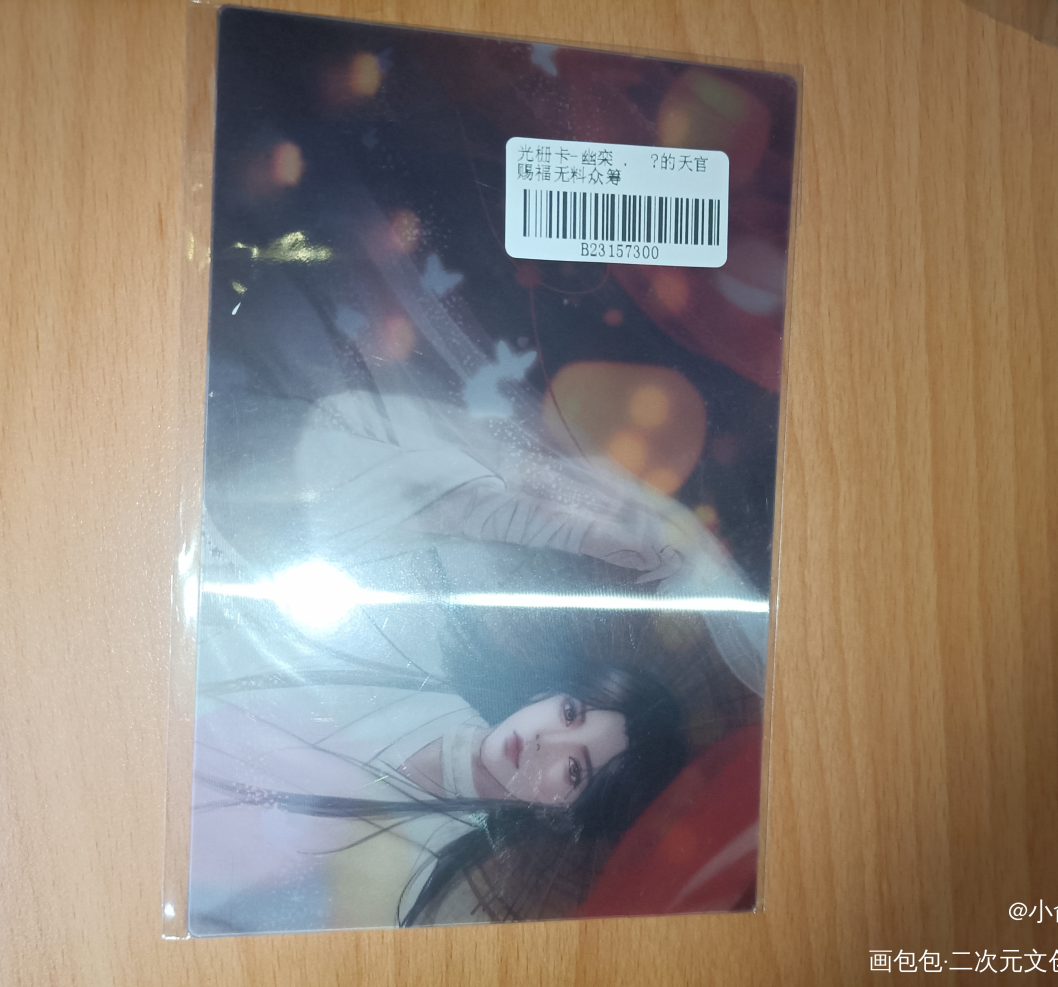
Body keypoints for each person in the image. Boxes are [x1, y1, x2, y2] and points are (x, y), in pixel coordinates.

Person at [187, 386, 766, 934]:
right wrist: (580, 532)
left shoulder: (432, 875)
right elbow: (353, 474)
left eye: (574, 771)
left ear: (562, 814)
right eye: (570, 712)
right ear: (544, 695)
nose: (546, 741)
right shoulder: (417, 650)